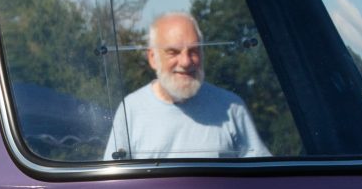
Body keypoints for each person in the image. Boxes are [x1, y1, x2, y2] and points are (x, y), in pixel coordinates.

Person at [104, 12, 269, 160]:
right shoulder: (131, 110)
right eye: (173, 52)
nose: (186, 62)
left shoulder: (231, 107)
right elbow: (113, 186)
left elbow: (263, 178)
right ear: (153, 58)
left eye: (194, 51)